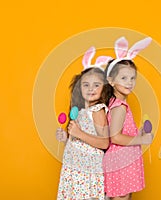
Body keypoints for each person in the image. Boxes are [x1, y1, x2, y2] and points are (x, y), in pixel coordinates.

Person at [56, 47, 112, 200]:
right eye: (86, 85)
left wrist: (79, 133)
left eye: (96, 85)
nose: (90, 89)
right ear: (79, 88)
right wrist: (66, 137)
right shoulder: (79, 111)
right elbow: (78, 140)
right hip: (74, 167)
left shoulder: (98, 111)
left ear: (104, 88)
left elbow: (104, 142)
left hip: (88, 170)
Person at [103, 37, 154, 200]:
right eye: (124, 78)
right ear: (111, 81)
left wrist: (136, 134)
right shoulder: (119, 106)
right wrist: (141, 140)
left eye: (132, 78)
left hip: (122, 161)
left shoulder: (116, 102)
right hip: (121, 162)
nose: (130, 82)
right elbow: (115, 137)